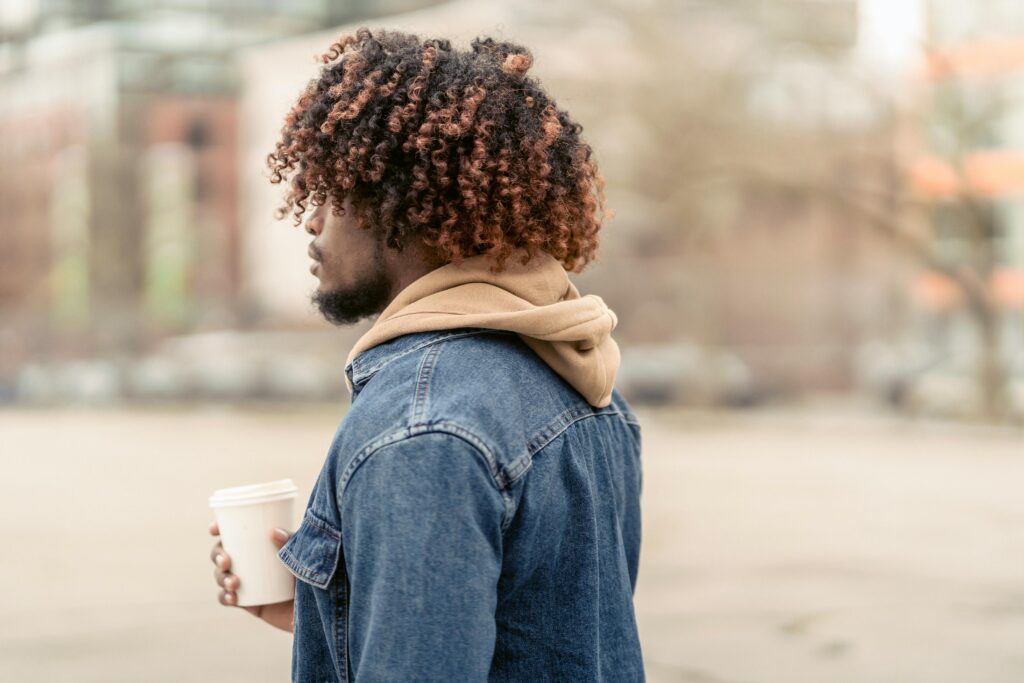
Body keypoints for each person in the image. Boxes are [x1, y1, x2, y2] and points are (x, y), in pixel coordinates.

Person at [208, 27, 644, 682]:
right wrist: (332, 607)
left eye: (329, 190)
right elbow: (544, 634)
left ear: (405, 205)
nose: (311, 220)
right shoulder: (583, 382)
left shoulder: (422, 428)